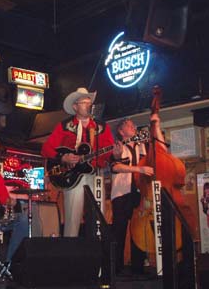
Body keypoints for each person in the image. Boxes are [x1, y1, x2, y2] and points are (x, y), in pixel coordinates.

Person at [41, 87, 114, 237]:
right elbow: (46, 148)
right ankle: (71, 253)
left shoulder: (101, 126)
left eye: (89, 101)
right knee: (73, 218)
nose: (88, 104)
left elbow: (109, 150)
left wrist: (115, 153)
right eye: (84, 102)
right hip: (73, 177)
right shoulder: (64, 126)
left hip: (95, 174)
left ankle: (96, 251)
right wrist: (63, 157)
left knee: (98, 217)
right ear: (75, 107)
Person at [110, 118, 154, 274]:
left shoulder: (141, 146)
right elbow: (115, 167)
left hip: (139, 193)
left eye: (134, 124)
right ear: (121, 131)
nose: (134, 126)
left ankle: (138, 267)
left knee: (139, 230)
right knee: (119, 231)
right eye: (129, 125)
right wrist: (138, 170)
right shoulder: (118, 147)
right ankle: (116, 269)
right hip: (122, 193)